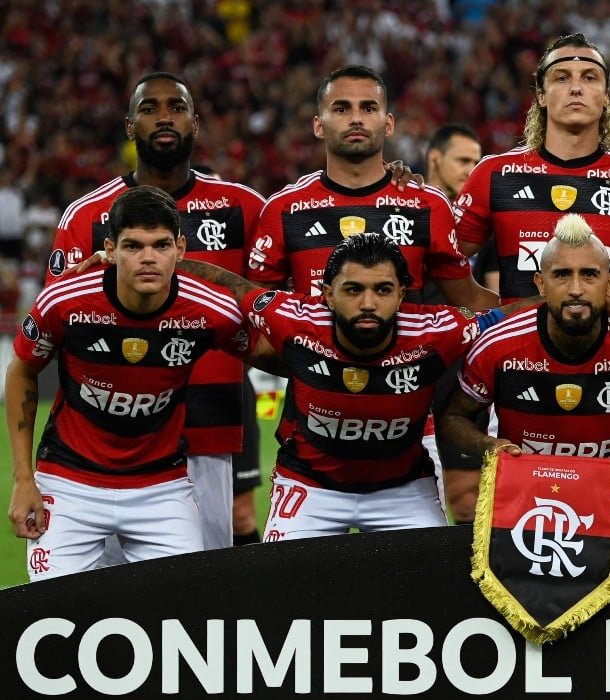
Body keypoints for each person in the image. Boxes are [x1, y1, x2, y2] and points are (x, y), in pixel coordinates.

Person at [45, 72, 266, 553]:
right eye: (149, 109)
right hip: (109, 440)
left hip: (209, 423)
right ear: (129, 126)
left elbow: (296, 285)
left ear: (195, 123)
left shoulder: (243, 208)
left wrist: (389, 180)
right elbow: (52, 325)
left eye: (176, 107)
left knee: (197, 589)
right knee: (104, 590)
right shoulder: (87, 216)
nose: (164, 117)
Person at [178, 234, 525, 540]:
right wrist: (164, 265)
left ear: (402, 294)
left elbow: (515, 316)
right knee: (281, 593)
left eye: (383, 289)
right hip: (311, 487)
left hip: (403, 491)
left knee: (428, 592)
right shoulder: (291, 318)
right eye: (353, 289)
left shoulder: (438, 330)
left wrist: (574, 301)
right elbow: (230, 285)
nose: (369, 303)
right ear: (328, 294)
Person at [7, 186, 250, 579]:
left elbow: (280, 352)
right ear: (110, 248)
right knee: (52, 614)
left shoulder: (209, 309)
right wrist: (23, 480)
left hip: (161, 489)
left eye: (161, 245)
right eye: (133, 246)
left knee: (185, 615)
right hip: (69, 484)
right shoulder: (65, 300)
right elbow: (21, 369)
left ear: (182, 248)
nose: (148, 258)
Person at [439, 214, 610, 518]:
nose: (576, 288)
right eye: (562, 275)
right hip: (526, 501)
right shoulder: (497, 344)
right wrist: (487, 444)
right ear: (541, 283)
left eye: (589, 274)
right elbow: (454, 416)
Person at [451, 33, 610, 307]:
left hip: (608, 347)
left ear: (606, 96)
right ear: (541, 95)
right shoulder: (494, 174)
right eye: (562, 77)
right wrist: (495, 315)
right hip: (517, 348)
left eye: (590, 78)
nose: (576, 88)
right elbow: (437, 261)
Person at [249, 65, 496, 310]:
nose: (356, 119)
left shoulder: (428, 206)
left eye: (368, 108)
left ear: (389, 124)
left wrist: (531, 311)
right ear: (318, 126)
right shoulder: (284, 209)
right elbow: (257, 311)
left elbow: (472, 300)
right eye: (341, 109)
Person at [423, 123, 488, 524]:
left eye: (478, 162)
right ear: (434, 159)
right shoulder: (409, 210)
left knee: (467, 501)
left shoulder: (484, 225)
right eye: (463, 160)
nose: (472, 170)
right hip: (417, 371)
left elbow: (490, 296)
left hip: (468, 371)